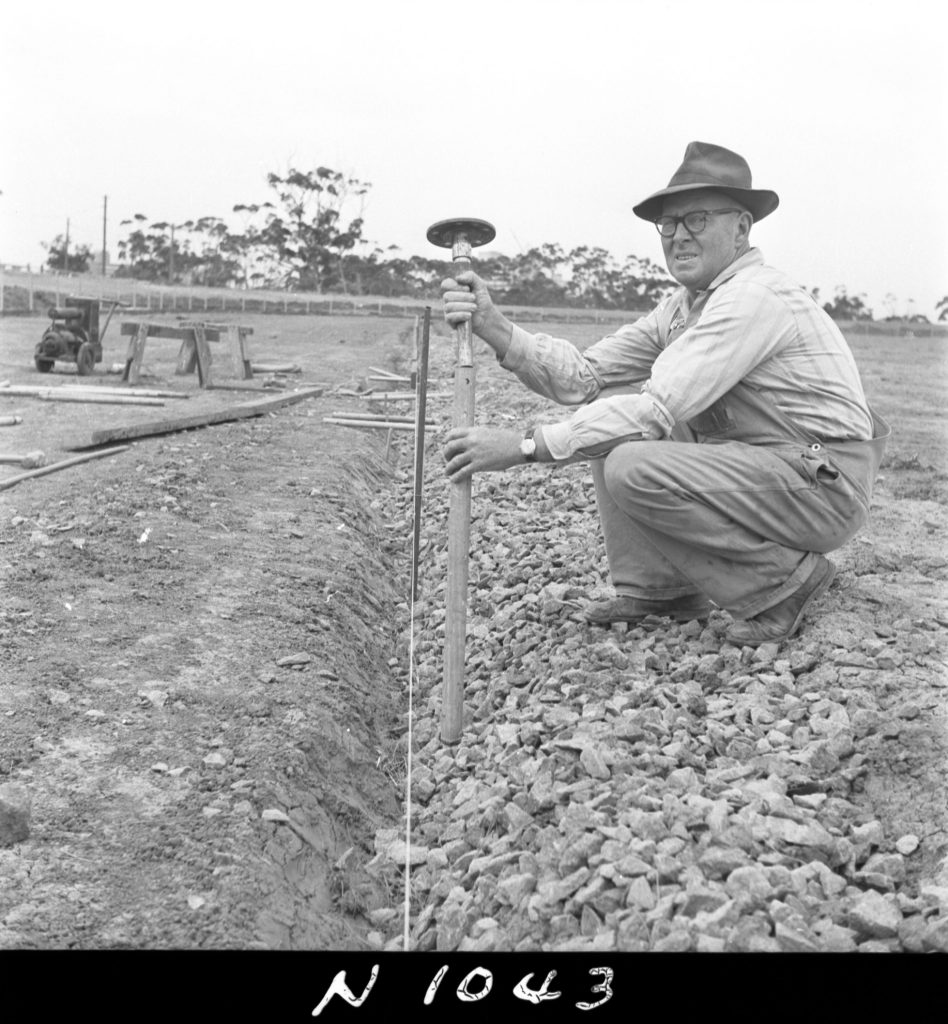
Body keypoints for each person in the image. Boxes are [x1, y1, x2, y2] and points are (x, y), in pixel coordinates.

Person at [440, 141, 889, 647]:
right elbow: (585, 376)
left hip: (823, 485)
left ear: (741, 228)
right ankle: (662, 591)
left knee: (632, 460)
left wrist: (525, 447)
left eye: (697, 219)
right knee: (609, 403)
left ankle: (783, 584)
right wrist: (495, 327)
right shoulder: (682, 308)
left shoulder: (752, 297)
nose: (678, 236)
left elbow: (656, 412)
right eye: (669, 224)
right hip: (766, 470)